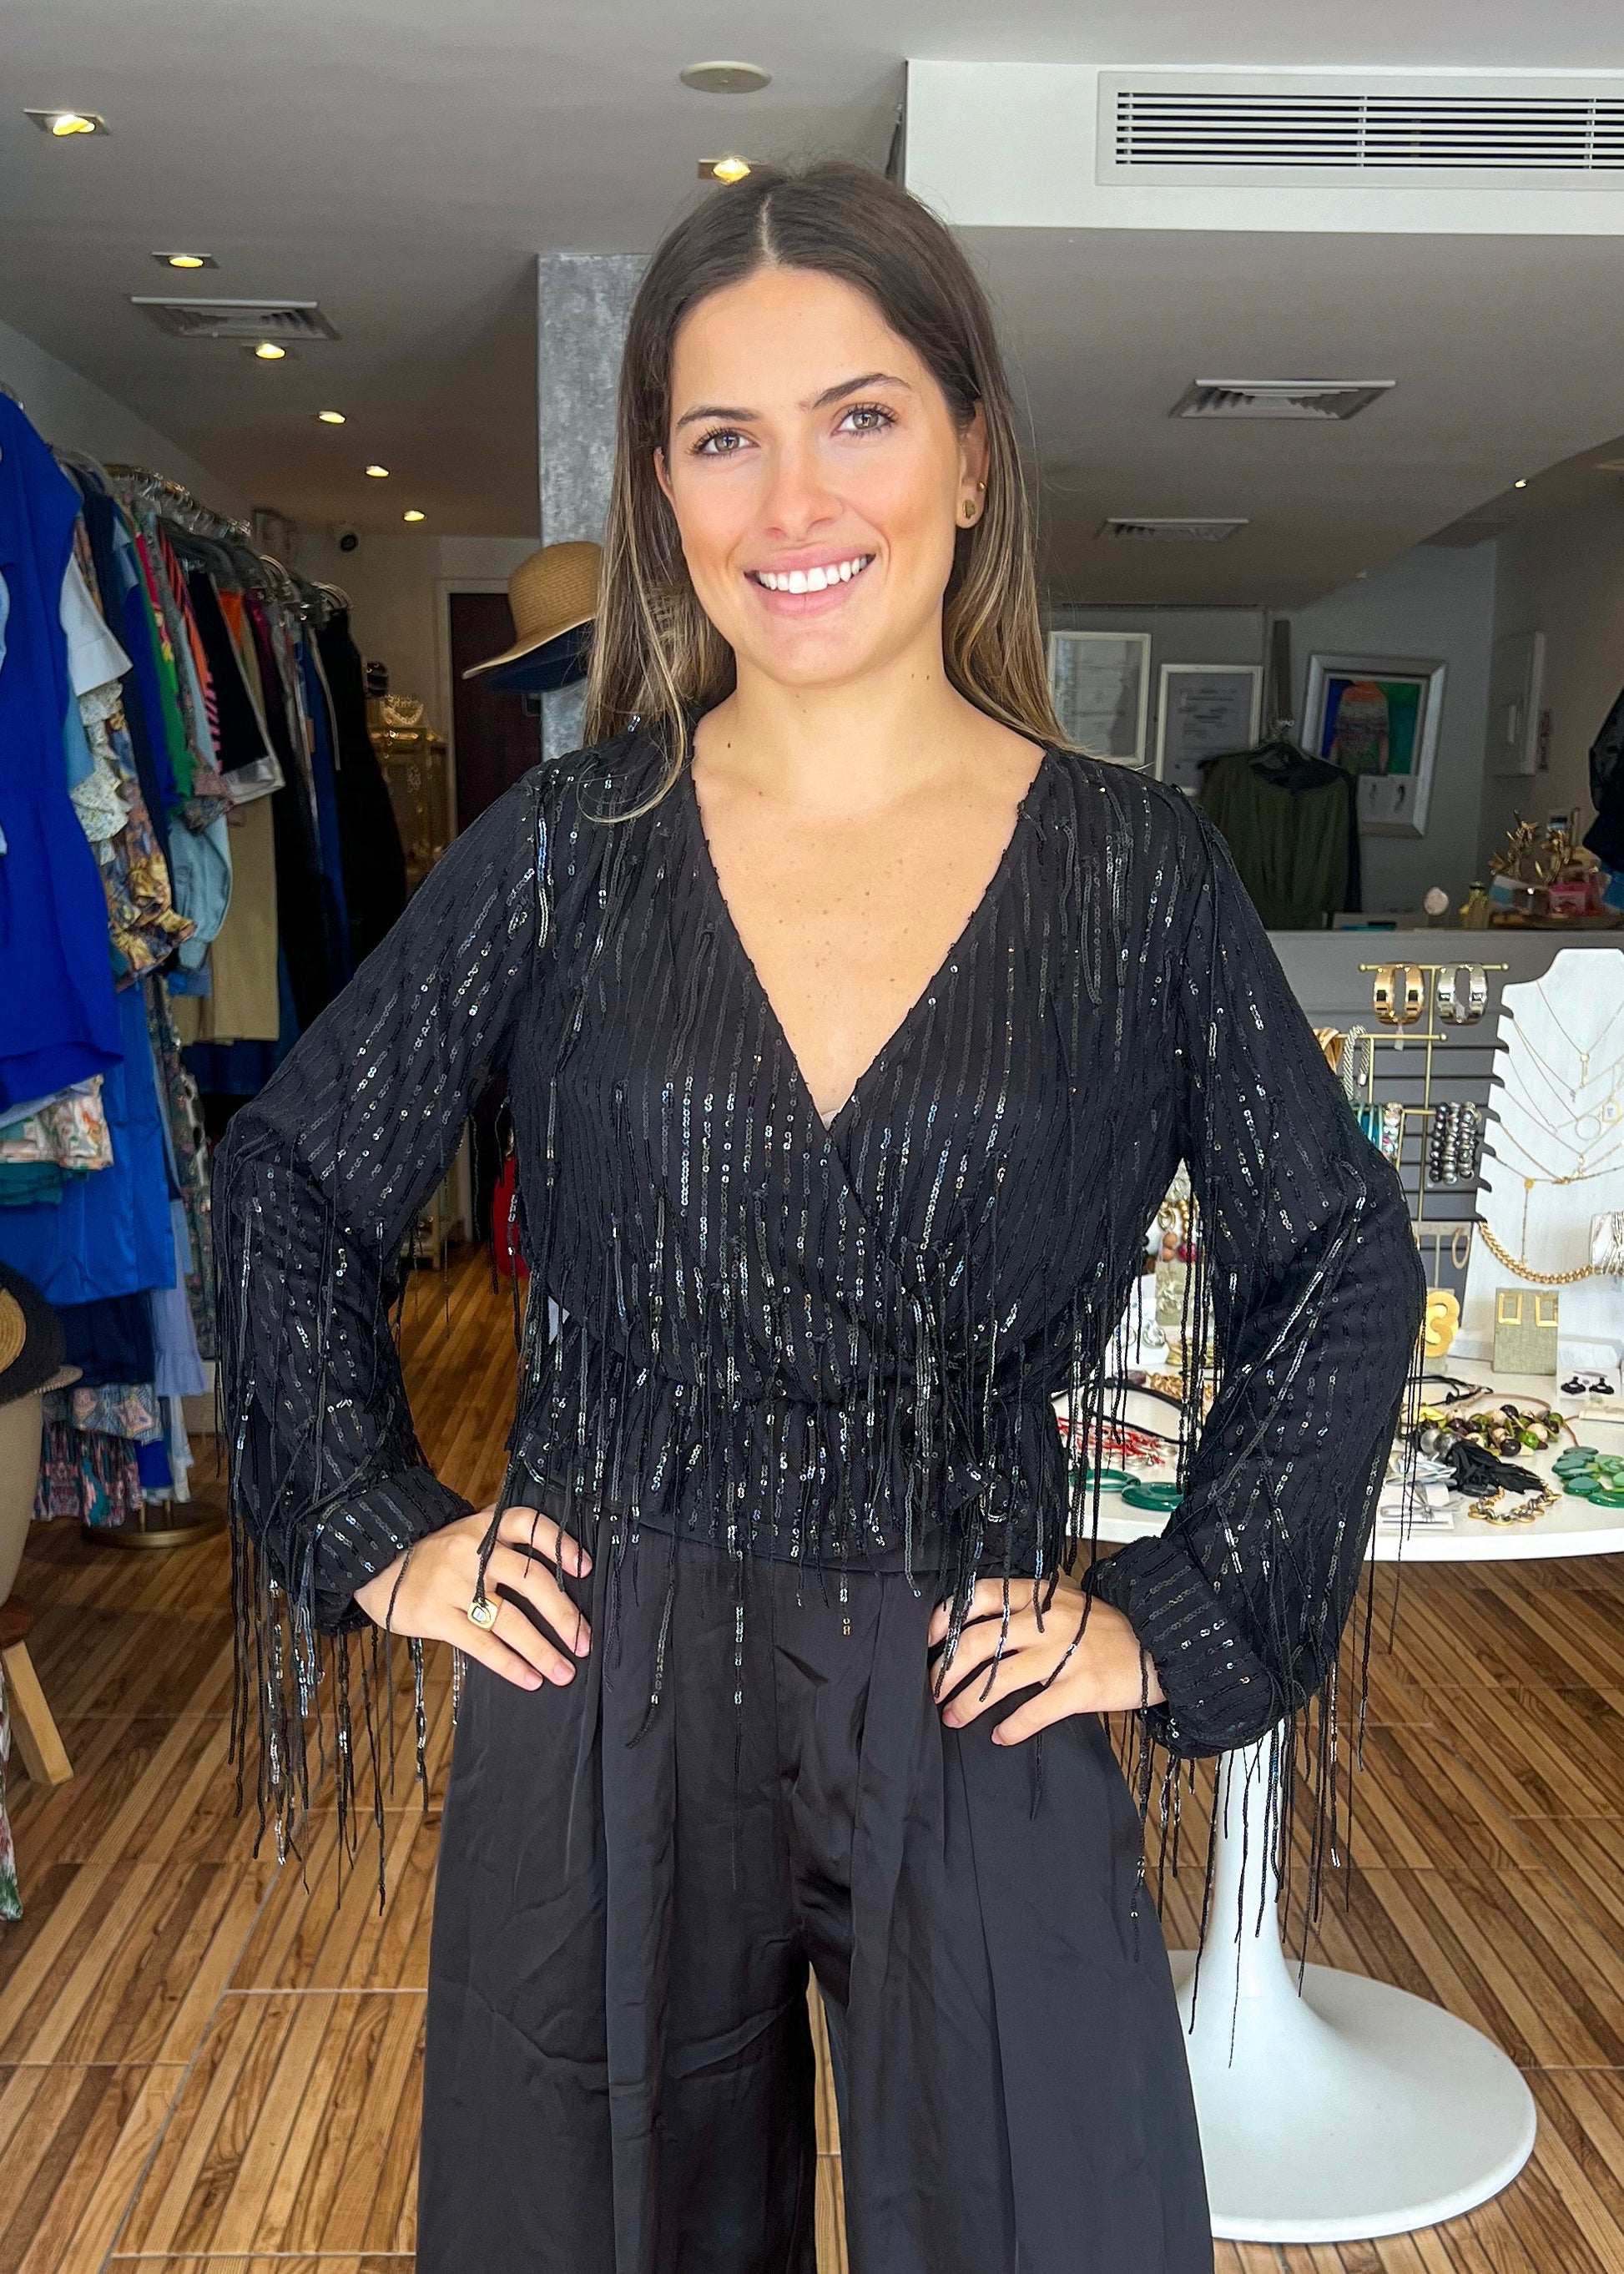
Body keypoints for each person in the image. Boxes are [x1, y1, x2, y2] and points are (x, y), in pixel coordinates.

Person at [215, 160, 1425, 2274]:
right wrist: (376, 1526)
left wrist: (1176, 1609)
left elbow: (1335, 1255)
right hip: (604, 1660)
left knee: (1055, 2214)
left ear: (969, 454)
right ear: (661, 487)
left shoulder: (1133, 872)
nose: (792, 500)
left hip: (972, 1658)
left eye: (858, 416)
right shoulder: (570, 847)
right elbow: (293, 1174)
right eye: (722, 437)